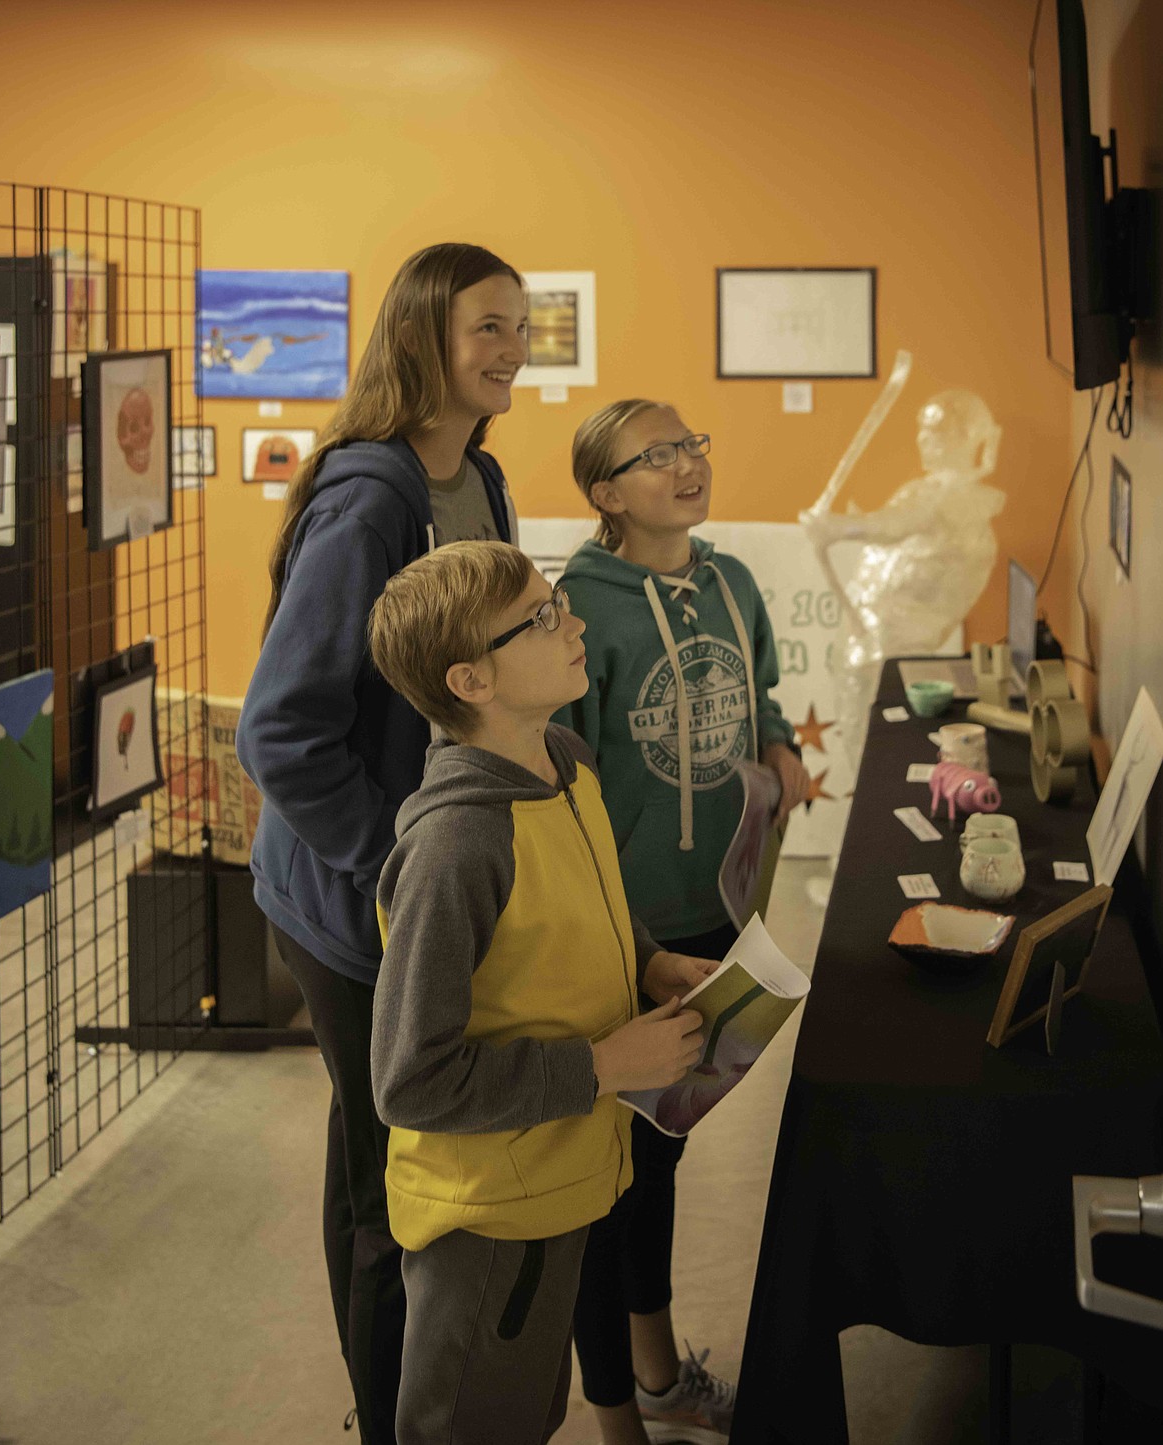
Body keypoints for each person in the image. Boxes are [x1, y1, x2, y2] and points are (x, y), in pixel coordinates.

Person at [234, 243, 527, 1445]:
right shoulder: (371, 498)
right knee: (380, 1182)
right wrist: (392, 862)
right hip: (350, 900)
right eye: (489, 328)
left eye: (522, 325)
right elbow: (282, 729)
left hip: (418, 880)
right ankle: (383, 1413)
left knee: (400, 1152)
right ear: (423, 340)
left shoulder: (484, 476)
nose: (512, 348)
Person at [367, 540, 715, 1444]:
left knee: (528, 1407)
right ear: (471, 681)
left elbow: (582, 899)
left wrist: (648, 963)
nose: (578, 625)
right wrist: (602, 1064)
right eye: (544, 618)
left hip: (562, 1176)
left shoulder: (564, 758)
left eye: (557, 601)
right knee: (478, 1420)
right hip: (490, 1219)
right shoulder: (454, 851)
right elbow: (411, 1079)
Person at [555, 398, 812, 1445]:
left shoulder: (734, 580)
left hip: (717, 917)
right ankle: (621, 1409)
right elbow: (555, 770)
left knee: (661, 1156)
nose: (685, 464)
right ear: (606, 492)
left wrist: (786, 744)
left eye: (691, 443)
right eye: (653, 455)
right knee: (603, 1183)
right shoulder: (578, 605)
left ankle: (656, 1372)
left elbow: (766, 695)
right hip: (623, 934)